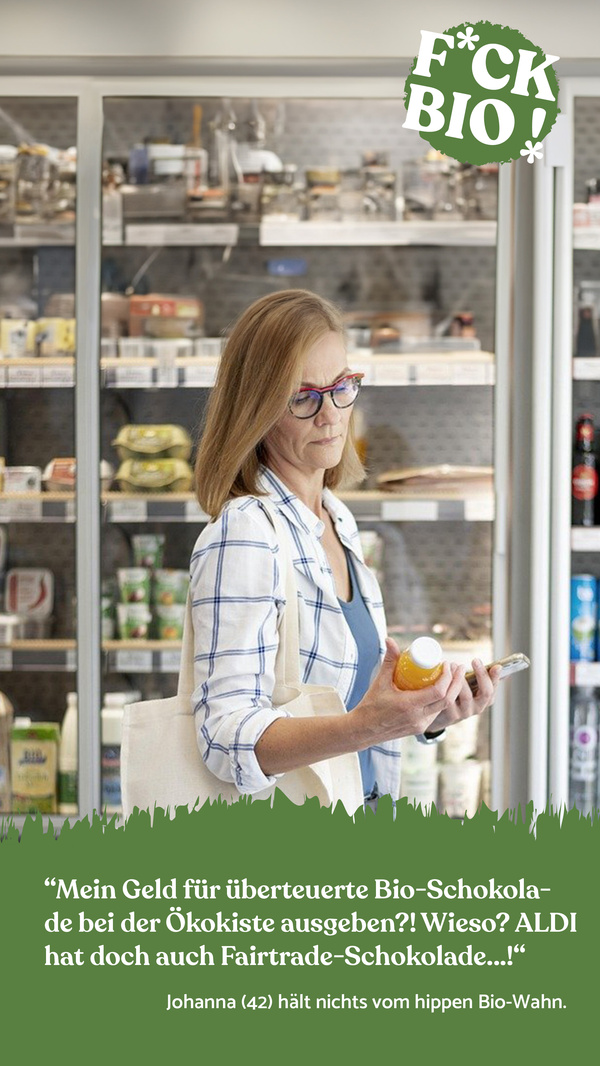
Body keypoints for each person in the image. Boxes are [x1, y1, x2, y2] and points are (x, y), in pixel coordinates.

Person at [190, 289, 500, 804]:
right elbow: (223, 738)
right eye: (302, 396)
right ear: (256, 408)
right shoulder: (246, 533)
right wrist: (366, 726)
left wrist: (427, 711)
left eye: (341, 386)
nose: (331, 415)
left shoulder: (335, 517)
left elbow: (358, 700)